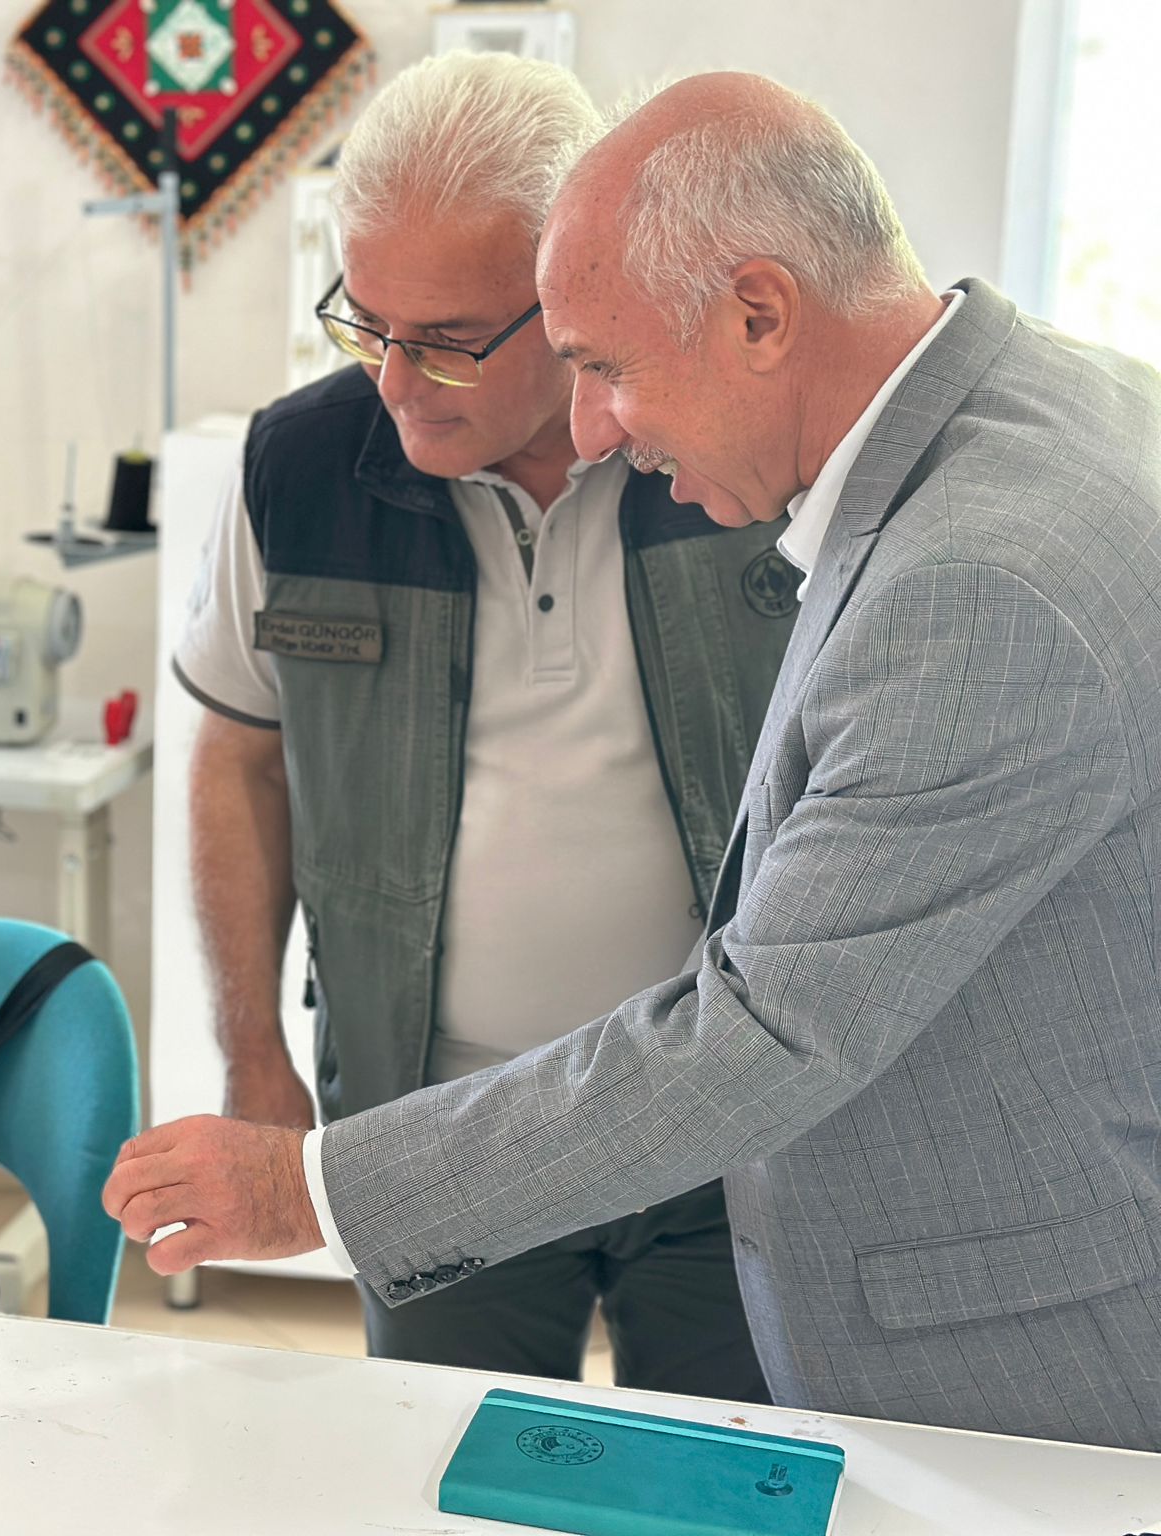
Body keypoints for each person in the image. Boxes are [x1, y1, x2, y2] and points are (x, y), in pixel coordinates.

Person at [107, 71, 1161, 1451]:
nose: (595, 424)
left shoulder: (966, 580)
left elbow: (770, 1030)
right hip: (481, 1110)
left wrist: (310, 1190)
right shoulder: (1071, 402)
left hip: (972, 1302)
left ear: (758, 312)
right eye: (369, 327)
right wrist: (264, 1065)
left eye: (603, 365)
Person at [174, 51, 789, 1390]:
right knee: (441, 1466)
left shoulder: (735, 447)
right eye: (366, 323)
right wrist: (252, 1056)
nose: (396, 382)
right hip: (428, 1130)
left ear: (577, 287)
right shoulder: (296, 469)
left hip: (725, 1120)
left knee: (731, 1468)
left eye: (448, 340)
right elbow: (237, 761)